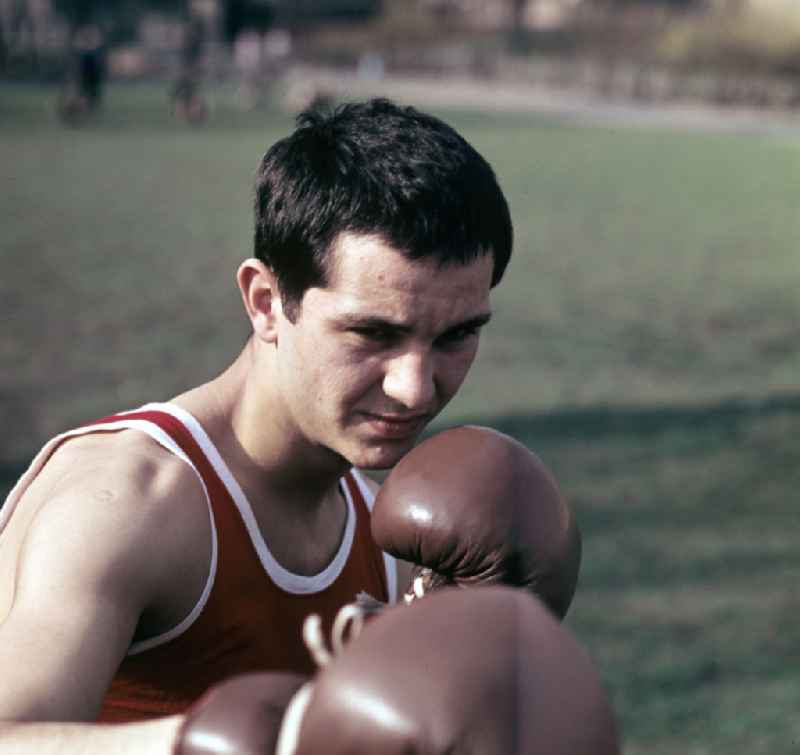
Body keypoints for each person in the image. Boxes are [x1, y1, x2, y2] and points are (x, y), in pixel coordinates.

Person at [0, 98, 513, 753]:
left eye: (458, 334)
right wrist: (212, 741)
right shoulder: (127, 502)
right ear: (267, 302)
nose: (415, 386)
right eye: (372, 332)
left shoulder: (389, 542)